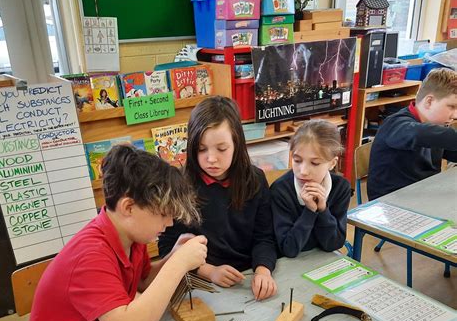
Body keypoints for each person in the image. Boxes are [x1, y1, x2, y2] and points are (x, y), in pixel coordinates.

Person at [28, 145, 207, 321]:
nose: (168, 223)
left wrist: (172, 256)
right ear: (128, 207)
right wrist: (178, 264)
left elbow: (142, 282)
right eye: (162, 214)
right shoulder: (90, 256)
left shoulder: (132, 237)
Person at [158, 96, 277, 301]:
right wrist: (210, 271)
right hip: (201, 279)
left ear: (237, 144)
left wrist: (263, 271)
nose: (211, 158)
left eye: (222, 149)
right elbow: (168, 248)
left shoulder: (255, 179)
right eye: (201, 149)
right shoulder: (181, 184)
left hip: (248, 276)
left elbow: (264, 237)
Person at [367, 68, 457, 201]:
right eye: (452, 106)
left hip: (424, 194)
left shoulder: (437, 125)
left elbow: (450, 148)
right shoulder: (396, 124)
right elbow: (418, 134)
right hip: (390, 204)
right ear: (429, 101)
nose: (455, 115)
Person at [270, 120, 351, 258]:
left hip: (321, 262)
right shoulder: (280, 190)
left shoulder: (341, 187)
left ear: (332, 163)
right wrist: (310, 211)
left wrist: (323, 210)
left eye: (315, 163)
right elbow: (288, 249)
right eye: (297, 160)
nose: (303, 171)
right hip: (288, 265)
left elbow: (334, 244)